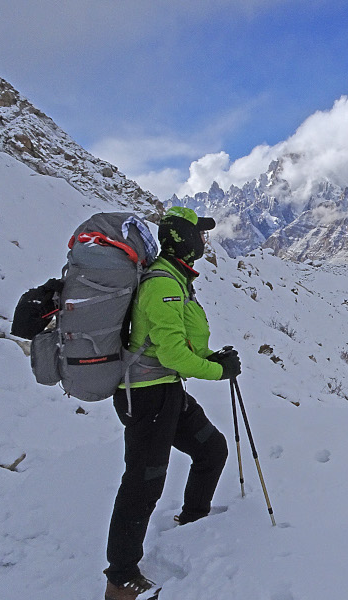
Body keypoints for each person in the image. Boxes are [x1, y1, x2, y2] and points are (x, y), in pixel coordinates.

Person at [104, 207, 242, 600]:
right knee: (143, 484)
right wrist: (218, 372)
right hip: (148, 397)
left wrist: (214, 357)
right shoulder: (162, 284)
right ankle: (121, 578)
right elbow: (172, 355)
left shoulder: (177, 279)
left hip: (167, 392)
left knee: (211, 450)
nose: (205, 239)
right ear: (183, 237)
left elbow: (183, 344)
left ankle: (194, 520)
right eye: (199, 233)